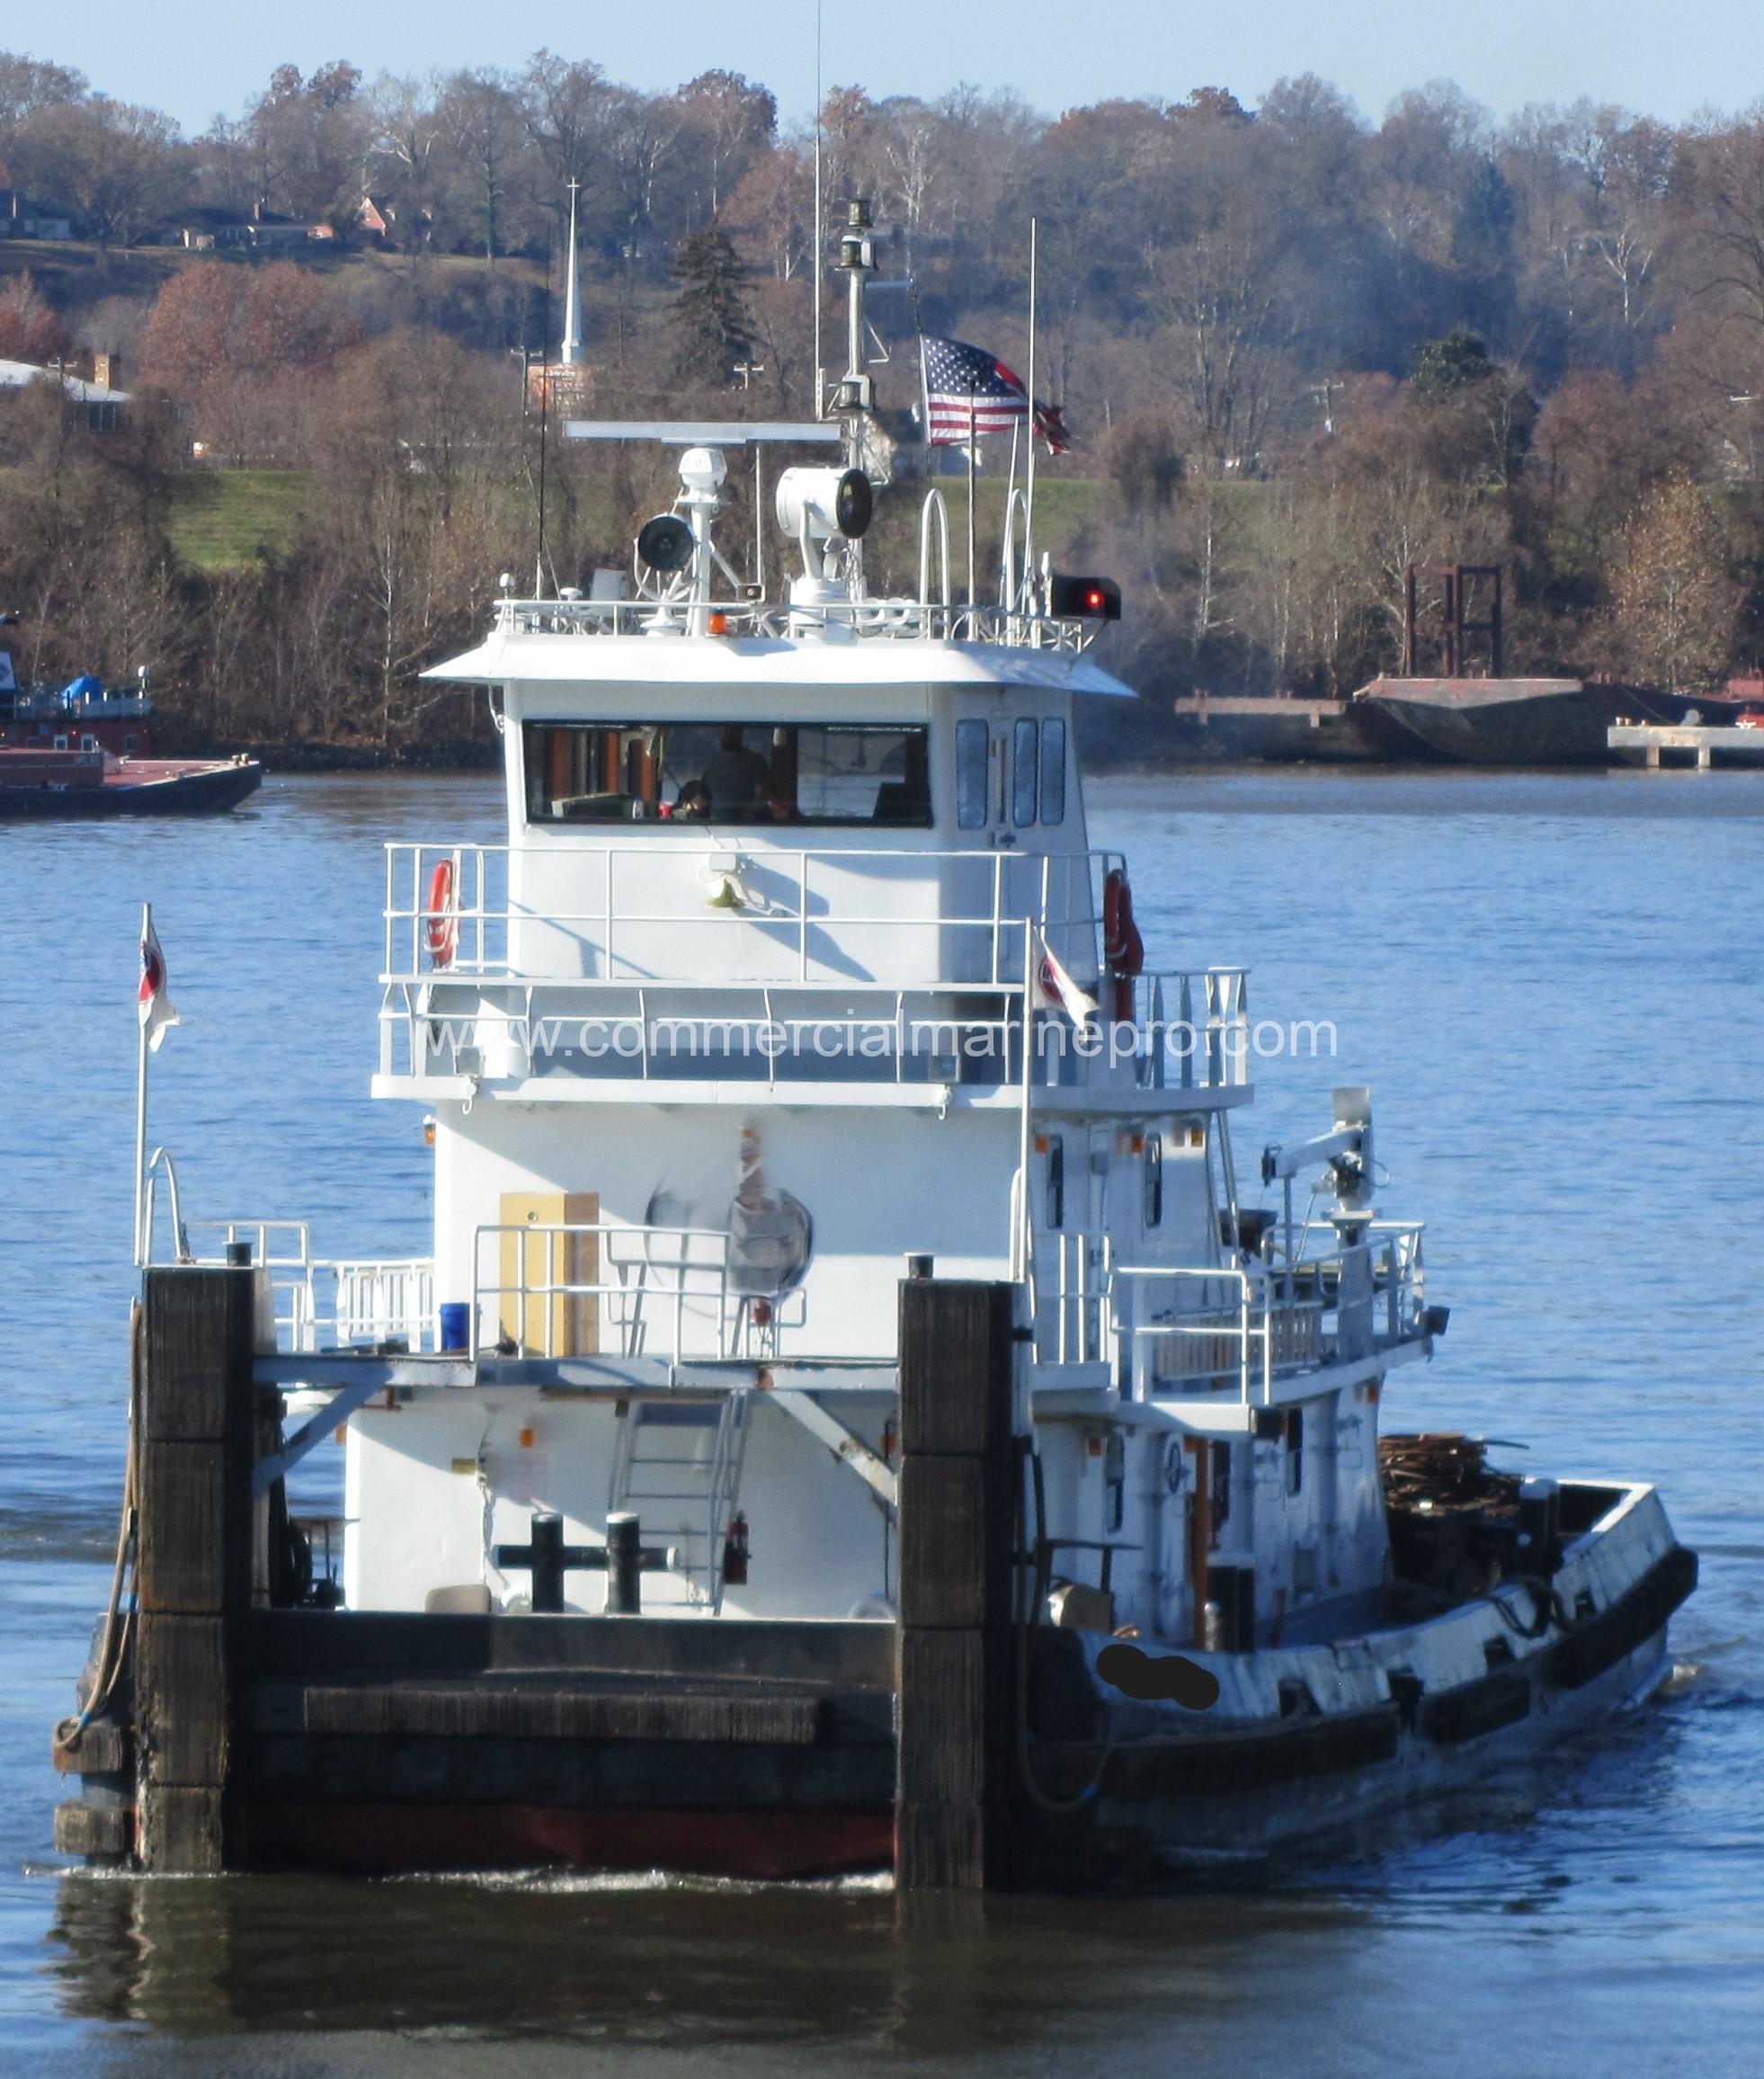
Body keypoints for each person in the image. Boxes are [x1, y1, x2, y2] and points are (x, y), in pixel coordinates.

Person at [701, 727, 775, 820]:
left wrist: (743, 820)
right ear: (719, 733)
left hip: (751, 825)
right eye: (725, 730)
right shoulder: (712, 766)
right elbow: (701, 800)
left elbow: (762, 797)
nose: (728, 734)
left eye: (732, 729)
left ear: (741, 732)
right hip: (716, 825)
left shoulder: (755, 762)